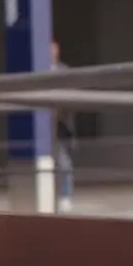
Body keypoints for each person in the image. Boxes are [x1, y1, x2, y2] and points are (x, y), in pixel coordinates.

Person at [50, 40, 75, 212]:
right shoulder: (38, 70)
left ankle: (65, 196)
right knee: (53, 164)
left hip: (60, 125)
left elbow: (71, 97)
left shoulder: (64, 71)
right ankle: (57, 196)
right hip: (44, 125)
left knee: (64, 163)